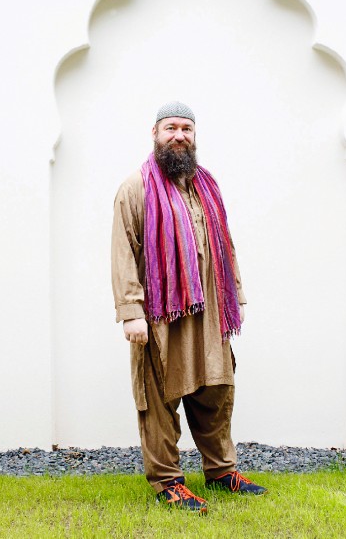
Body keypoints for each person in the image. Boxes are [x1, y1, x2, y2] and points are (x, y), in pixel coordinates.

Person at [111, 101, 267, 514]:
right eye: (170, 128)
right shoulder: (136, 188)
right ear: (155, 135)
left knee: (217, 391)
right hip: (161, 318)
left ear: (195, 136)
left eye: (186, 129)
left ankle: (221, 472)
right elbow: (123, 251)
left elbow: (225, 247)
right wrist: (131, 311)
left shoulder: (206, 187)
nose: (179, 136)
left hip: (211, 312)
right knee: (159, 400)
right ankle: (168, 482)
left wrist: (237, 295)